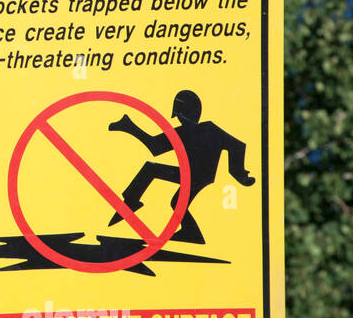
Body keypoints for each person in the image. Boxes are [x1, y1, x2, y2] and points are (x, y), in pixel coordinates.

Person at [107, 89, 254, 244]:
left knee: (152, 171)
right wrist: (238, 172)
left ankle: (131, 200)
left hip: (193, 175)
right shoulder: (206, 129)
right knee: (175, 200)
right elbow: (237, 146)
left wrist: (129, 127)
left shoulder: (194, 131)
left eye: (179, 115)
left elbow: (155, 146)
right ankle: (191, 232)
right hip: (196, 174)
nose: (178, 119)